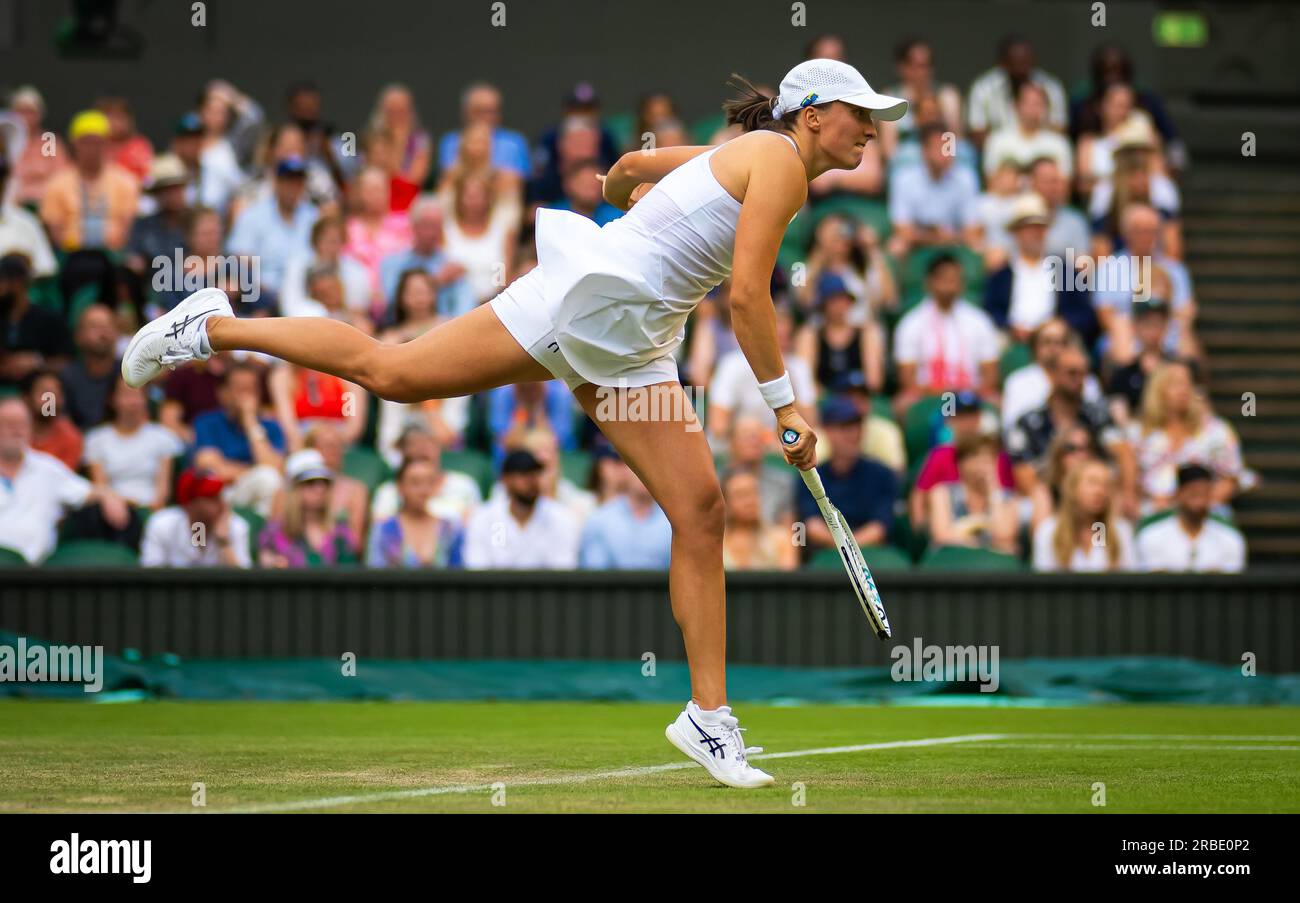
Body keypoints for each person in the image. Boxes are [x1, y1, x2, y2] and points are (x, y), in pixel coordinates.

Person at [121, 58, 909, 791]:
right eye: (859, 113)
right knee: (393, 374)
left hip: (636, 346)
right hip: (581, 306)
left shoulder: (747, 153)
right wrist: (785, 406)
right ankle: (214, 327)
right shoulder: (776, 164)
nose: (872, 128)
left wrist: (629, 189)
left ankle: (708, 719)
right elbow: (746, 297)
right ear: (809, 114)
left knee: (700, 513)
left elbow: (629, 173)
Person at [0, 396, 128, 563]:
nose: (16, 431)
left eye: (22, 424)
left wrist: (108, 496)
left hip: (35, 575)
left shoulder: (48, 468)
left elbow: (88, 491)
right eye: (9, 424)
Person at [1130, 360, 1246, 514]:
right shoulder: (1138, 433)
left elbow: (1230, 479)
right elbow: (1130, 487)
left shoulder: (1216, 430)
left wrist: (1193, 504)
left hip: (1204, 513)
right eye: (1174, 384)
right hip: (1153, 514)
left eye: (1187, 383)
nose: (1183, 390)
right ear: (1157, 390)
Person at [892, 253, 1001, 415]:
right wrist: (944, 393)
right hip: (927, 394)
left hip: (972, 393)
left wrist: (966, 391)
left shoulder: (979, 320)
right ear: (929, 282)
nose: (949, 285)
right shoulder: (911, 323)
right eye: (943, 279)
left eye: (955, 279)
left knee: (1001, 403)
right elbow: (907, 379)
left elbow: (991, 375)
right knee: (901, 405)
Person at [797, 397, 897, 552]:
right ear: (827, 431)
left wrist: (850, 549)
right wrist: (844, 549)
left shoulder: (882, 474)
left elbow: (880, 526)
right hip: (828, 554)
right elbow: (811, 526)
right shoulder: (811, 476)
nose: (853, 433)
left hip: (870, 555)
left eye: (857, 426)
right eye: (844, 427)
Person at [39, 110, 140, 252]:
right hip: (71, 258)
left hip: (114, 258)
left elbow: (128, 228)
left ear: (107, 144)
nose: (92, 148)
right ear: (74, 143)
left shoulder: (126, 181)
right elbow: (55, 231)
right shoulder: (57, 183)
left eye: (97, 142)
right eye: (86, 142)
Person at [463, 449, 580, 568]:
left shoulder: (561, 519)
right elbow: (477, 570)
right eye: (523, 474)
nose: (531, 481)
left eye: (535, 473)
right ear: (506, 479)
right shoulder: (484, 518)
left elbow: (563, 572)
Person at [84, 375, 184, 510]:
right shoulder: (95, 440)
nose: (133, 401)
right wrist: (121, 505)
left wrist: (144, 510)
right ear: (112, 399)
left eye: (138, 394)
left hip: (151, 510)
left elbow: (163, 493)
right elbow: (101, 487)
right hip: (111, 510)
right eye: (126, 395)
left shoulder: (164, 437)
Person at [259, 449, 361, 568]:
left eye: (325, 482)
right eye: (310, 483)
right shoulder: (274, 533)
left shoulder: (340, 534)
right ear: (294, 490)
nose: (320, 489)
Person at [1136, 464, 1246, 573]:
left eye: (1204, 493)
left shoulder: (1229, 538)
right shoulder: (1151, 536)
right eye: (1193, 492)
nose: (1199, 500)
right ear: (1178, 494)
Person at [1032, 457, 1136, 572]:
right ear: (1073, 488)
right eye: (1092, 483)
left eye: (1105, 485)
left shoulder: (1117, 530)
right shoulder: (1049, 530)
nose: (1100, 491)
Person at [926, 432, 1018, 554]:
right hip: (953, 562)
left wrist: (993, 491)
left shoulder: (1007, 497)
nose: (982, 465)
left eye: (988, 458)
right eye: (976, 457)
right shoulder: (942, 492)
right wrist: (984, 545)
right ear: (960, 463)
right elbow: (942, 536)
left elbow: (1004, 535)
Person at [140, 468, 251, 567]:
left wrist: (224, 542)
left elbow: (245, 585)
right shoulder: (162, 524)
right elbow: (150, 575)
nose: (220, 502)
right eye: (210, 497)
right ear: (190, 504)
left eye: (219, 495)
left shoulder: (236, 526)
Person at [579, 454, 672, 569]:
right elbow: (594, 576)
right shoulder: (600, 520)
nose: (646, 474)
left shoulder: (674, 523)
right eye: (639, 468)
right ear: (627, 470)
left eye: (653, 468)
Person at [720, 468, 798, 570]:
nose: (750, 501)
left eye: (753, 492)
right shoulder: (716, 543)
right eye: (740, 495)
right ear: (726, 502)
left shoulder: (781, 538)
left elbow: (788, 581)